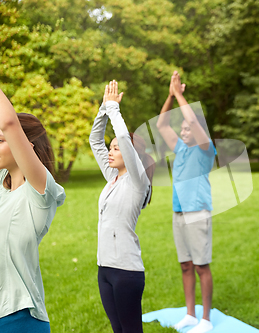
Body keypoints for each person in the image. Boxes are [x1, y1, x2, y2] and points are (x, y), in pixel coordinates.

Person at [89, 80, 155, 333]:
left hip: (126, 271)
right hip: (104, 268)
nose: (110, 150)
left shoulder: (138, 182)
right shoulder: (113, 178)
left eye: (116, 148)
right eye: (111, 146)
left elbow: (126, 141)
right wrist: (103, 109)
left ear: (131, 155)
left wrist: (115, 110)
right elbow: (95, 141)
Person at [0, 88, 66, 332]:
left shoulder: (41, 191)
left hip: (18, 318)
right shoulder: (1, 185)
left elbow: (8, 122)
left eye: (0, 140)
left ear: (24, 147)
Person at [156, 71, 216, 333]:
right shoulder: (180, 148)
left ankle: (206, 319)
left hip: (197, 212)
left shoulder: (205, 149)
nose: (184, 130)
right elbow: (161, 125)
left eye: (188, 128)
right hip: (178, 211)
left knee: (202, 266)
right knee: (185, 265)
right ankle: (190, 314)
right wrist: (170, 97)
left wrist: (181, 95)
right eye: (182, 129)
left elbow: (191, 118)